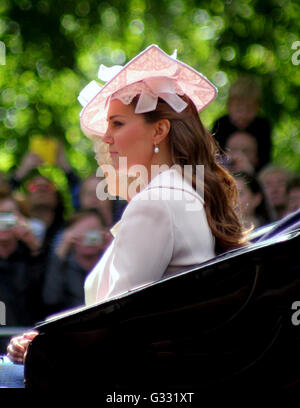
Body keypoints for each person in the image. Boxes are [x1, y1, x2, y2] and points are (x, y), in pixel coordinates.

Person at [6, 44, 249, 367]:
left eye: (117, 124)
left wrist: (45, 346)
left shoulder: (157, 201)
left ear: (159, 131)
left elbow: (114, 322)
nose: (106, 139)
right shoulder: (181, 193)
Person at [42, 209, 110, 314]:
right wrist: (61, 251)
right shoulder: (62, 266)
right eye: (81, 234)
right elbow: (51, 299)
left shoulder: (110, 264)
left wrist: (111, 249)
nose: (87, 239)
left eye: (93, 233)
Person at [212, 75, 272, 172]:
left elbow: (265, 160)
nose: (243, 115)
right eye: (238, 109)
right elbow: (213, 155)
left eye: (249, 109)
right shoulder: (221, 124)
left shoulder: (262, 126)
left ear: (258, 108)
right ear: (229, 106)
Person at [0, 196, 43, 326]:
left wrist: (33, 245)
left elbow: (49, 295)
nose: (3, 221)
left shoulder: (31, 254)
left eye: (8, 215)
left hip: (26, 332)